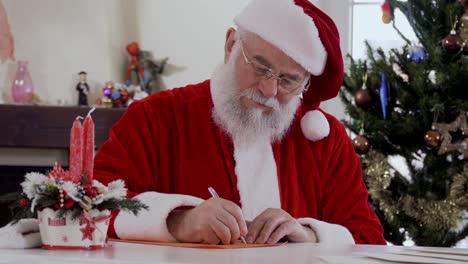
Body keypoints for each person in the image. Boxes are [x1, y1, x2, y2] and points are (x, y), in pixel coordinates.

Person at [95, 0, 386, 246]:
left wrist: (307, 234)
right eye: (260, 67)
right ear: (231, 45)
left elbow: (368, 237)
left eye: (289, 80)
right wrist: (178, 220)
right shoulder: (155, 118)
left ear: (306, 83)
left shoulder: (326, 139)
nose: (269, 89)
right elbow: (93, 200)